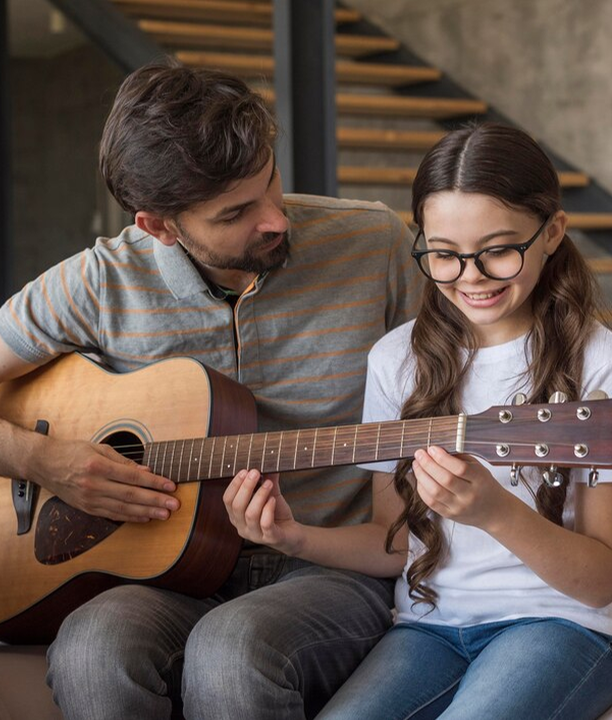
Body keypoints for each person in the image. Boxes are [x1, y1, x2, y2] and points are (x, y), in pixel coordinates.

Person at [0, 63, 422, 719]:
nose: (277, 218)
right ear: (159, 226)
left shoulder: (376, 244)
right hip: (159, 574)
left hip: (328, 565)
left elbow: (452, 387)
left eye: (271, 180)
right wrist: (44, 461)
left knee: (233, 651)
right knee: (90, 651)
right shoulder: (97, 283)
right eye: (237, 213)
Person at [229, 123, 612, 720]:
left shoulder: (599, 363)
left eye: (499, 249)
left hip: (562, 623)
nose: (471, 276)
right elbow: (396, 545)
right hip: (429, 627)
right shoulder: (395, 360)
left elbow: (601, 582)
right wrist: (293, 537)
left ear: (553, 233)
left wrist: (496, 513)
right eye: (444, 254)